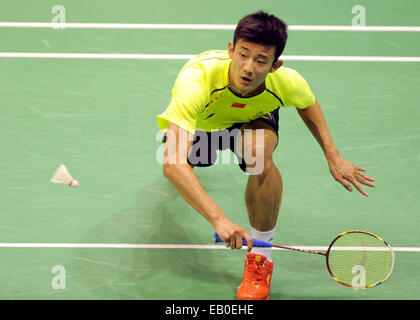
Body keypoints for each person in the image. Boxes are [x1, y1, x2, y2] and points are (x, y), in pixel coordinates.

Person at [157, 11, 376, 300]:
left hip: (253, 118)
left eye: (261, 60)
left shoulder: (287, 81)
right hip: (204, 125)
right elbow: (173, 164)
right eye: (243, 55)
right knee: (179, 160)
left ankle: (261, 258)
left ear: (275, 65)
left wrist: (332, 156)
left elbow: (307, 105)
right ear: (231, 49)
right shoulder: (196, 80)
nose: (248, 68)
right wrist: (219, 219)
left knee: (258, 156)